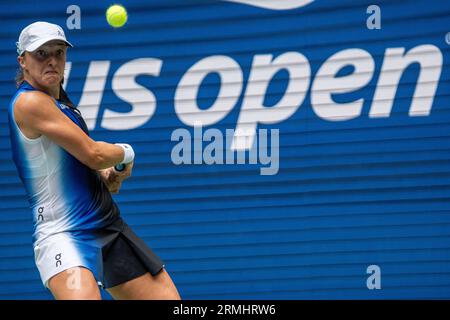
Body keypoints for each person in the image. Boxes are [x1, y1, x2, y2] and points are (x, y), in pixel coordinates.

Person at [7, 21, 181, 300]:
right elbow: (94, 154)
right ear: (23, 61)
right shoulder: (29, 103)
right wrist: (126, 152)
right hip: (64, 234)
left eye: (58, 53)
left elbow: (81, 163)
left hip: (107, 225)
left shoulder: (62, 104)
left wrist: (105, 176)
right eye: (41, 53)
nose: (52, 60)